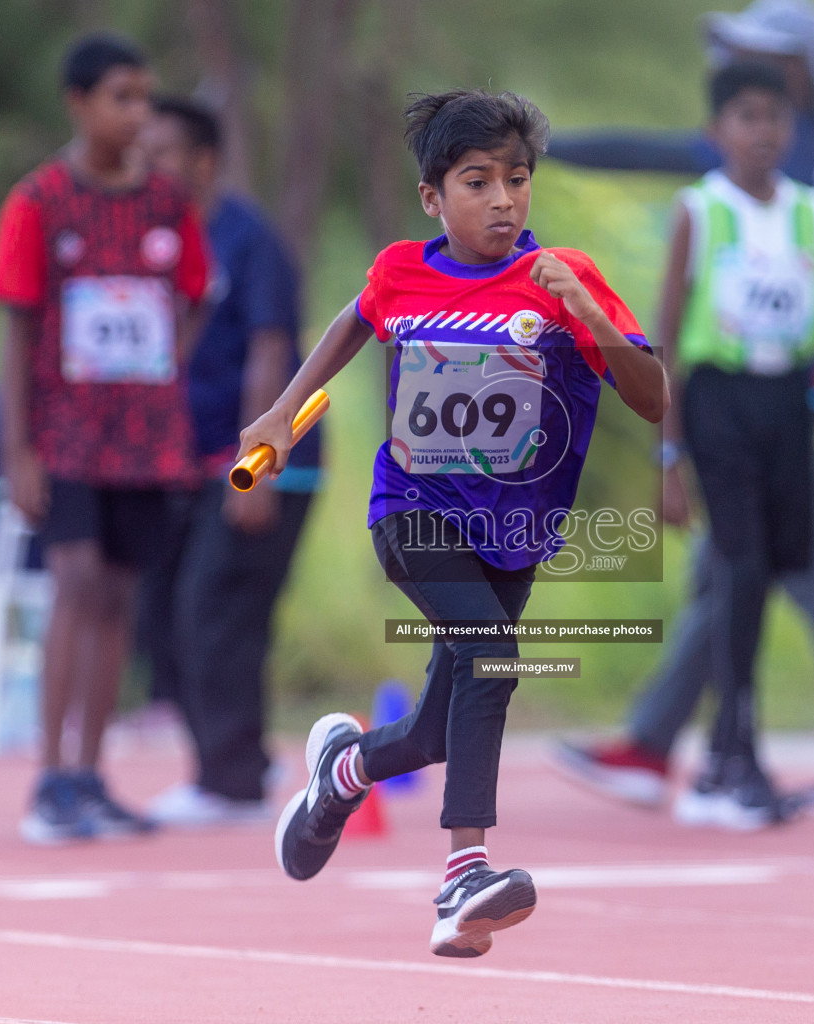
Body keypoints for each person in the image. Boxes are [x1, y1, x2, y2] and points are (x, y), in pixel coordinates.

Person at [244, 89, 667, 957]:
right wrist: (283, 415)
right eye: (479, 182)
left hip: (515, 531)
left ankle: (343, 770)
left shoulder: (564, 279)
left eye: (517, 180)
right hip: (414, 509)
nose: (504, 200)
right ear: (434, 197)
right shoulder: (402, 269)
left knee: (443, 725)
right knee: (492, 659)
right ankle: (463, 874)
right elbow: (353, 324)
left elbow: (655, 400)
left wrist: (585, 314)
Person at [550, 0, 814, 804]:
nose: (731, 69)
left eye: (749, 54)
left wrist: (545, 147)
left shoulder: (794, 166)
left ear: (794, 75)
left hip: (774, 400)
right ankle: (654, 741)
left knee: (784, 571)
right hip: (737, 409)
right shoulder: (788, 151)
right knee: (730, 576)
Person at [0, 33, 210, 844]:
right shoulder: (38, 202)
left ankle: (90, 772)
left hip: (144, 438)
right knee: (75, 584)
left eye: (145, 97)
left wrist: (162, 373)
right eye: (121, 97)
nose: (138, 114)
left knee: (118, 596)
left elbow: (192, 295)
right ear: (77, 103)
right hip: (64, 435)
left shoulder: (167, 205)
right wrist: (17, 448)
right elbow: (13, 326)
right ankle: (49, 779)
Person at [135, 95, 320, 827]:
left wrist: (256, 463)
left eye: (163, 153)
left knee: (215, 611)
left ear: (203, 160)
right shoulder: (156, 241)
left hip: (258, 462)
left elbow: (271, 347)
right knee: (163, 615)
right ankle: (230, 761)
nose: (148, 167)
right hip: (183, 464)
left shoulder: (246, 239)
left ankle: (234, 780)